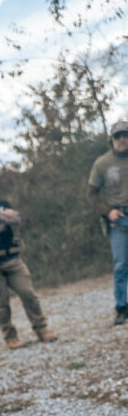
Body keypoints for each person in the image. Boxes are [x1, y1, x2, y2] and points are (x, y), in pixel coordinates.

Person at [0, 173, 58, 349]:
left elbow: (16, 219)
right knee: (1, 304)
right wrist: (2, 222)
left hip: (13, 260)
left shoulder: (0, 204)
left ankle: (41, 328)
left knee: (28, 294)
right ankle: (10, 337)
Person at [87, 118, 128, 326]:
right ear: (111, 140)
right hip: (119, 220)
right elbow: (91, 193)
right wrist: (107, 211)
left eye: (125, 135)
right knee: (121, 265)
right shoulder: (102, 163)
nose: (122, 139)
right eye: (117, 136)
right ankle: (121, 308)